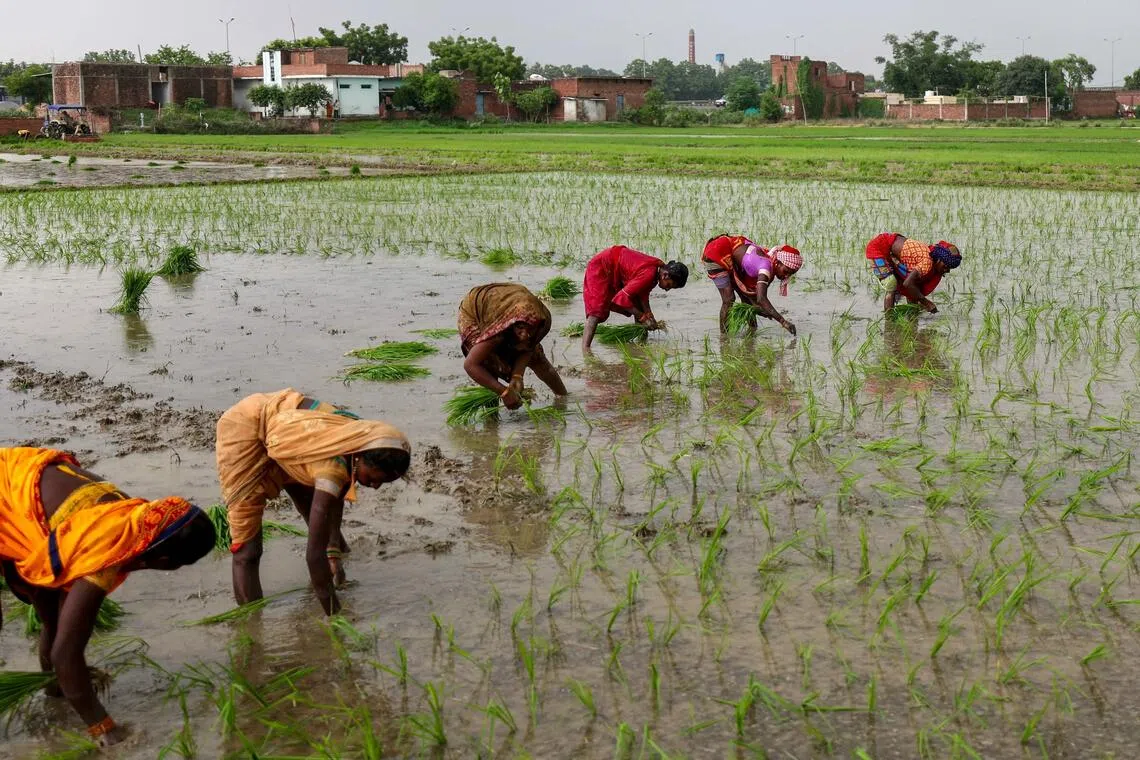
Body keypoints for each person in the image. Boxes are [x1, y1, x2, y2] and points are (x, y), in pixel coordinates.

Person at [0, 447, 216, 747]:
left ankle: (54, 690)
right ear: (165, 561)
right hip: (9, 494)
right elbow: (66, 653)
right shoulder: (108, 551)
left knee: (52, 615)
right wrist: (105, 729)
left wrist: (70, 678)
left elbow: (60, 622)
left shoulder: (134, 514)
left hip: (19, 490)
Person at [215, 390, 410, 614]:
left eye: (385, 483)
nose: (376, 486)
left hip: (293, 435)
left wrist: (333, 550)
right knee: (248, 550)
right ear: (360, 457)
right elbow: (312, 556)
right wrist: (335, 614)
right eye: (376, 478)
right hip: (243, 430)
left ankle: (337, 566)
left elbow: (339, 493)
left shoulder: (358, 436)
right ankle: (249, 622)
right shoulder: (332, 467)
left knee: (325, 530)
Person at [459, 282, 568, 408]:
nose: (525, 335)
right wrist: (504, 391)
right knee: (489, 362)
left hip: (510, 307)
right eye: (520, 328)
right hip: (475, 309)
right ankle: (491, 421)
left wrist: (517, 376)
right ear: (513, 325)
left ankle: (564, 400)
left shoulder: (542, 321)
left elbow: (529, 348)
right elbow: (470, 365)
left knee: (538, 358)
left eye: (530, 329)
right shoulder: (500, 329)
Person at [581, 245, 688, 351]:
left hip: (614, 268)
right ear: (665, 275)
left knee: (637, 303)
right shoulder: (649, 274)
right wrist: (643, 317)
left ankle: (641, 346)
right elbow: (620, 299)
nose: (667, 289)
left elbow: (643, 294)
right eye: (669, 285)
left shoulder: (656, 272)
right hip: (601, 267)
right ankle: (586, 351)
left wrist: (649, 315)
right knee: (596, 312)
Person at [702, 234, 802, 335]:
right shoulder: (765, 267)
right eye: (786, 271)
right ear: (778, 263)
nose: (786, 276)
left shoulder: (769, 261)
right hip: (717, 253)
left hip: (731, 254)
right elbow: (761, 299)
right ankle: (724, 337)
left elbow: (753, 299)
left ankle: (752, 330)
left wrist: (764, 311)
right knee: (728, 299)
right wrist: (783, 322)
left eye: (791, 274)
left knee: (746, 299)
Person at [865, 233, 962, 313]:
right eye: (945, 266)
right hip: (879, 248)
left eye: (950, 268)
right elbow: (907, 283)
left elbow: (912, 285)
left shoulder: (931, 259)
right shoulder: (927, 262)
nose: (947, 270)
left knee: (914, 286)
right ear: (938, 260)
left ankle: (912, 316)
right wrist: (926, 302)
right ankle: (889, 320)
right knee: (891, 283)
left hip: (892, 252)